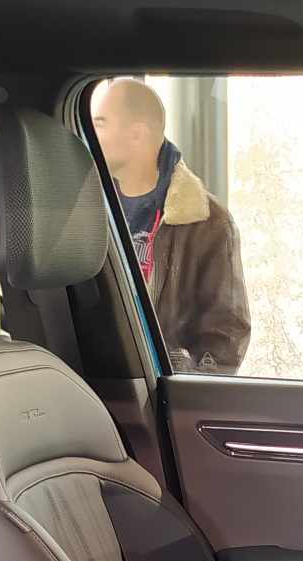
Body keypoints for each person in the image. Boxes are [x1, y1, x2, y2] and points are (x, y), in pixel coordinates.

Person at [91, 79, 251, 375]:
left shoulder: (208, 224)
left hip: (161, 393)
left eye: (100, 124)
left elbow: (224, 342)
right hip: (92, 385)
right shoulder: (87, 211)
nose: (90, 134)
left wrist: (177, 381)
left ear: (136, 134)